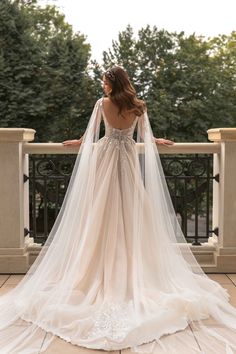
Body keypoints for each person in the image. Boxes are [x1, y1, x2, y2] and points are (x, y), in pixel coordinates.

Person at [0, 66, 236, 354]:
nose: (102, 85)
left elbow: (90, 135)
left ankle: (100, 267)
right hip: (126, 159)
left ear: (112, 83)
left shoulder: (102, 104)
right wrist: (156, 141)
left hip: (107, 159)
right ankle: (132, 268)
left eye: (104, 81)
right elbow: (146, 136)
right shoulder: (138, 106)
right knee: (131, 209)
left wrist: (79, 142)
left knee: (100, 212)